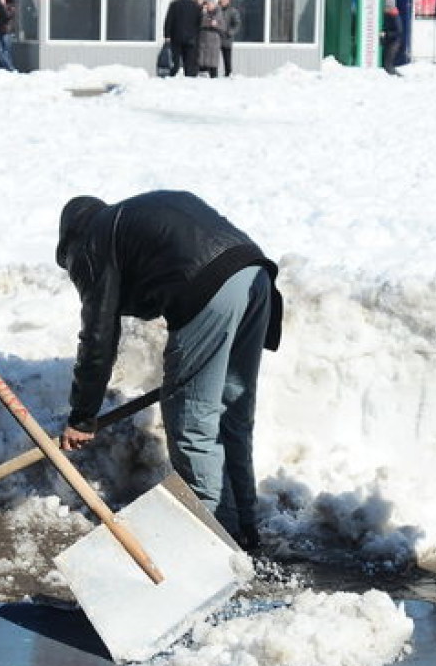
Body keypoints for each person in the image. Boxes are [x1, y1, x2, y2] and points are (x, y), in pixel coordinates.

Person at [55, 190, 283, 550]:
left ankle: (215, 541)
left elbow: (99, 335)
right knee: (231, 413)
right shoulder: (132, 219)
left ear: (70, 239)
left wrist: (82, 415)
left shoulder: (91, 242)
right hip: (254, 273)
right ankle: (244, 526)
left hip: (209, 286)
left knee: (192, 421)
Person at [162, 0, 202, 77]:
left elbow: (168, 20)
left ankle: (173, 75)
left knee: (175, 59)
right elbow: (200, 22)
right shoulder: (196, 6)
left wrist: (167, 35)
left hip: (176, 37)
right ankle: (189, 76)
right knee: (189, 61)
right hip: (191, 38)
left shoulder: (174, 4)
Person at [197, 0, 225, 79]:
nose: (208, 6)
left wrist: (216, 25)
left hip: (214, 41)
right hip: (203, 40)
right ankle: (202, 74)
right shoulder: (203, 13)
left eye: (210, 4)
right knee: (202, 59)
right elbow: (200, 23)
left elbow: (223, 27)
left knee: (212, 61)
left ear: (214, 5)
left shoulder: (219, 14)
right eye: (207, 4)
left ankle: (213, 76)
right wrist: (208, 21)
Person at [217, 0, 240, 77]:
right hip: (217, 38)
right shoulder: (217, 9)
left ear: (228, 0)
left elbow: (237, 23)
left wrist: (231, 32)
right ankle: (213, 75)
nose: (222, 1)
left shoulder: (232, 11)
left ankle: (228, 74)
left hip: (227, 38)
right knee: (214, 58)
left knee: (227, 59)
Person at [381, 0, 404, 75]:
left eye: (386, 7)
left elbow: (398, 31)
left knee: (388, 64)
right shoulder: (388, 15)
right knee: (386, 64)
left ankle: (397, 77)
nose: (384, 9)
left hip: (394, 43)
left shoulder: (395, 17)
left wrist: (386, 34)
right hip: (390, 41)